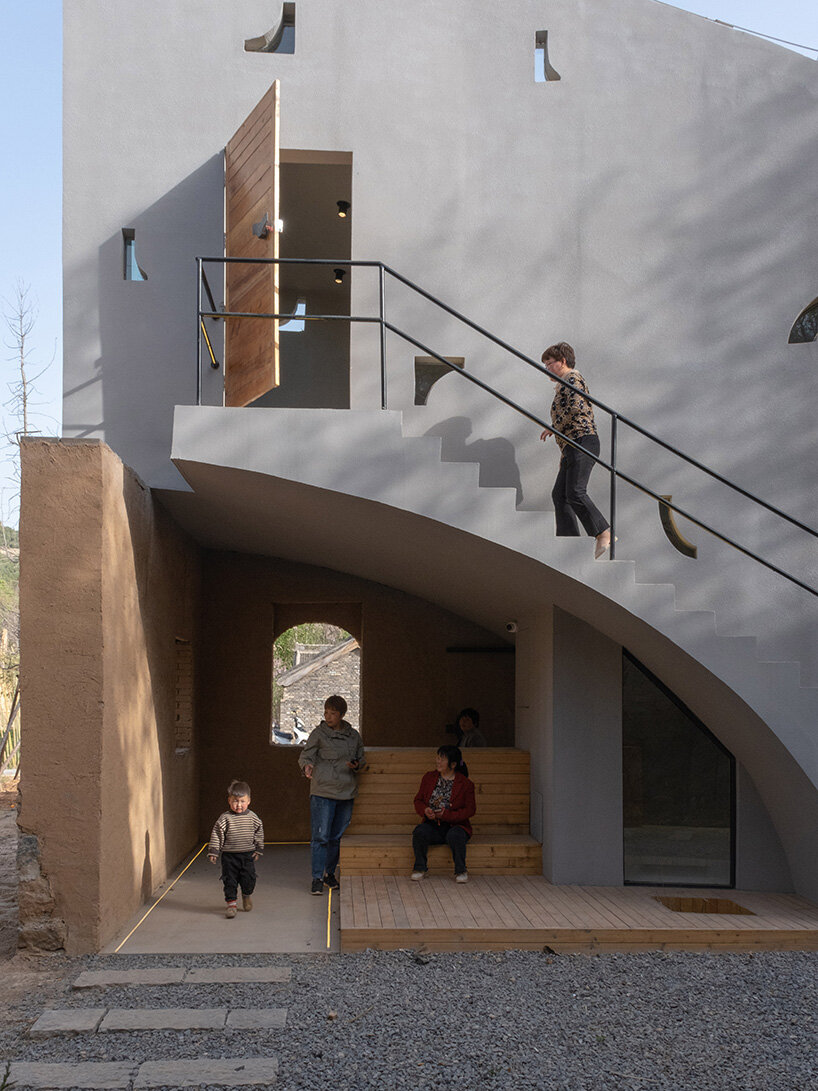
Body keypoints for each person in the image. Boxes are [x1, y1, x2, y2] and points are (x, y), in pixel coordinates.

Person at [538, 342, 612, 559]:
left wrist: (555, 426)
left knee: (575, 492)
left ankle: (603, 532)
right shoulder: (563, 384)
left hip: (583, 441)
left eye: (549, 363)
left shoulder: (572, 378)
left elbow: (576, 407)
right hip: (572, 445)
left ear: (562, 361)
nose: (546, 369)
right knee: (560, 495)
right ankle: (568, 542)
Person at [298, 694, 366, 895]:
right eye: (326, 712)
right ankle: (317, 878)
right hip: (322, 792)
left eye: (333, 713)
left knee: (335, 837)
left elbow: (362, 759)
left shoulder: (353, 736)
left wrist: (356, 765)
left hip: (346, 792)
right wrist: (307, 766)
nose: (328, 717)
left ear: (342, 715)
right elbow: (306, 755)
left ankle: (330, 874)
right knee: (320, 836)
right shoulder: (318, 733)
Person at [411, 745, 476, 883]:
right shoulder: (429, 777)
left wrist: (446, 815)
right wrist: (425, 810)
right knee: (419, 832)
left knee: (455, 835)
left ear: (453, 764)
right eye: (438, 757)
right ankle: (420, 868)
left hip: (456, 825)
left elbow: (470, 810)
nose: (438, 761)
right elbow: (418, 800)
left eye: (442, 759)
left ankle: (461, 871)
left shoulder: (465, 784)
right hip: (433, 824)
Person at [208, 779, 264, 919]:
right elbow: (217, 834)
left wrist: (258, 848)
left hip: (247, 855)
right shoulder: (225, 818)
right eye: (235, 801)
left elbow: (259, 832)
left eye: (242, 801)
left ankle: (246, 895)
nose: (238, 805)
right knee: (230, 880)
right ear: (229, 800)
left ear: (249, 800)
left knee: (249, 879)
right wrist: (214, 850)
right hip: (229, 857)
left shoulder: (253, 818)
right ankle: (231, 905)